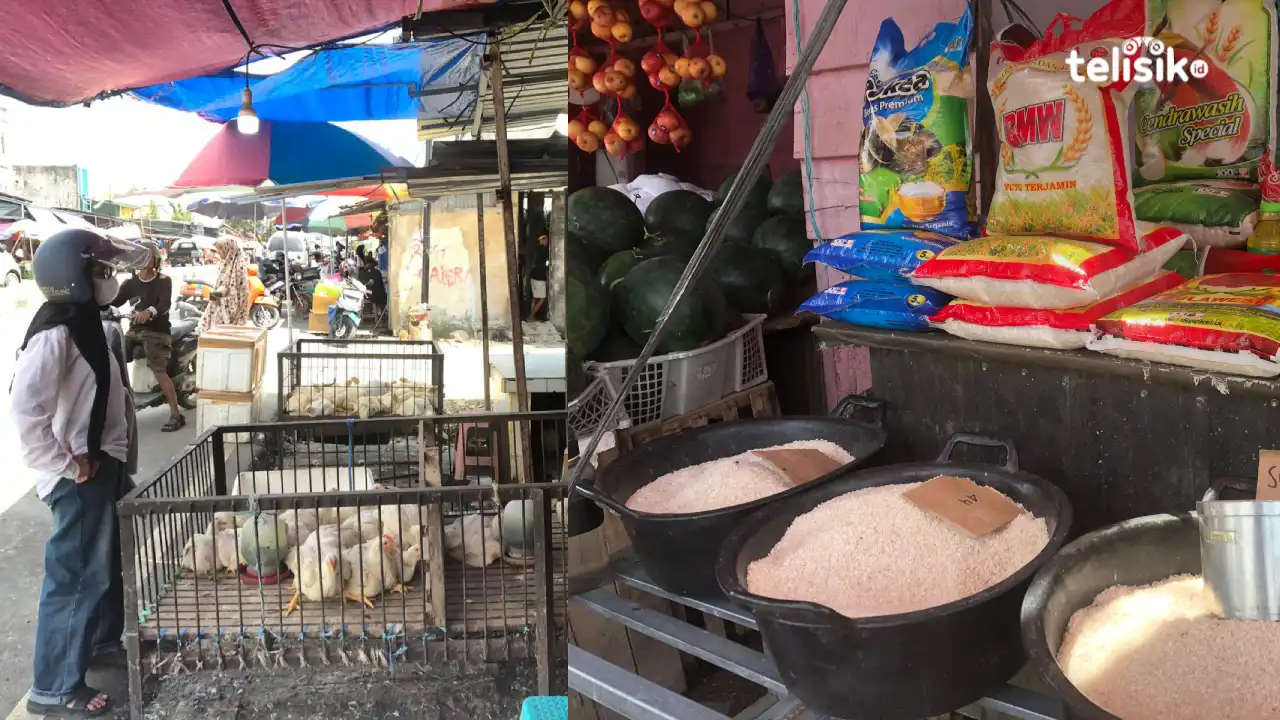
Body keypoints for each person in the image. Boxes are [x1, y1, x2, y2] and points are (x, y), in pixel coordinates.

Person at [12, 228, 143, 718]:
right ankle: (55, 686)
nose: (108, 280)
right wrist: (67, 464)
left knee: (104, 565)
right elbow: (26, 409)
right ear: (73, 277)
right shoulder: (56, 330)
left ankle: (102, 641)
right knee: (76, 576)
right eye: (99, 271)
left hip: (100, 464)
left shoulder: (85, 320)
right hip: (77, 476)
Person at [112, 242, 184, 432]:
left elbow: (164, 304)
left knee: (159, 370)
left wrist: (150, 312)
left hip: (156, 332)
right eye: (139, 258)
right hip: (133, 331)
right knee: (112, 361)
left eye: (146, 257)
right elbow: (114, 302)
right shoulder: (129, 283)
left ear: (155, 260)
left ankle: (176, 414)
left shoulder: (163, 281)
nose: (143, 262)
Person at [198, 236, 250, 332]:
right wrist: (214, 296)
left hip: (229, 314)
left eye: (221, 249)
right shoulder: (226, 264)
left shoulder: (239, 267)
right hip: (219, 308)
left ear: (230, 250)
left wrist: (214, 295)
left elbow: (234, 292)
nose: (218, 252)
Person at [527, 234, 550, 321]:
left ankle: (531, 316)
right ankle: (531, 316)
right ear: (542, 240)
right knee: (542, 299)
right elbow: (549, 260)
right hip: (540, 277)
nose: (547, 242)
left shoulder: (535, 249)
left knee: (535, 298)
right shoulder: (544, 250)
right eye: (546, 240)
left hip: (533, 275)